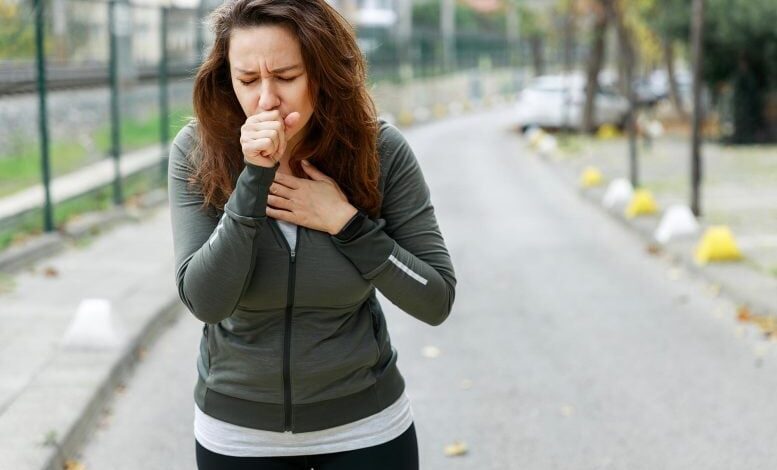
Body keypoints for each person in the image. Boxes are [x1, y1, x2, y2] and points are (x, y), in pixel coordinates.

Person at [167, 0, 457, 468]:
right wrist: (253, 180)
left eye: (286, 77)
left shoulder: (380, 151)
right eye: (247, 80)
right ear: (226, 81)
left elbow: (435, 299)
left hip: (368, 429)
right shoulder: (198, 152)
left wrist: (347, 223)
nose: (266, 99)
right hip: (239, 437)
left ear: (322, 73)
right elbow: (206, 301)